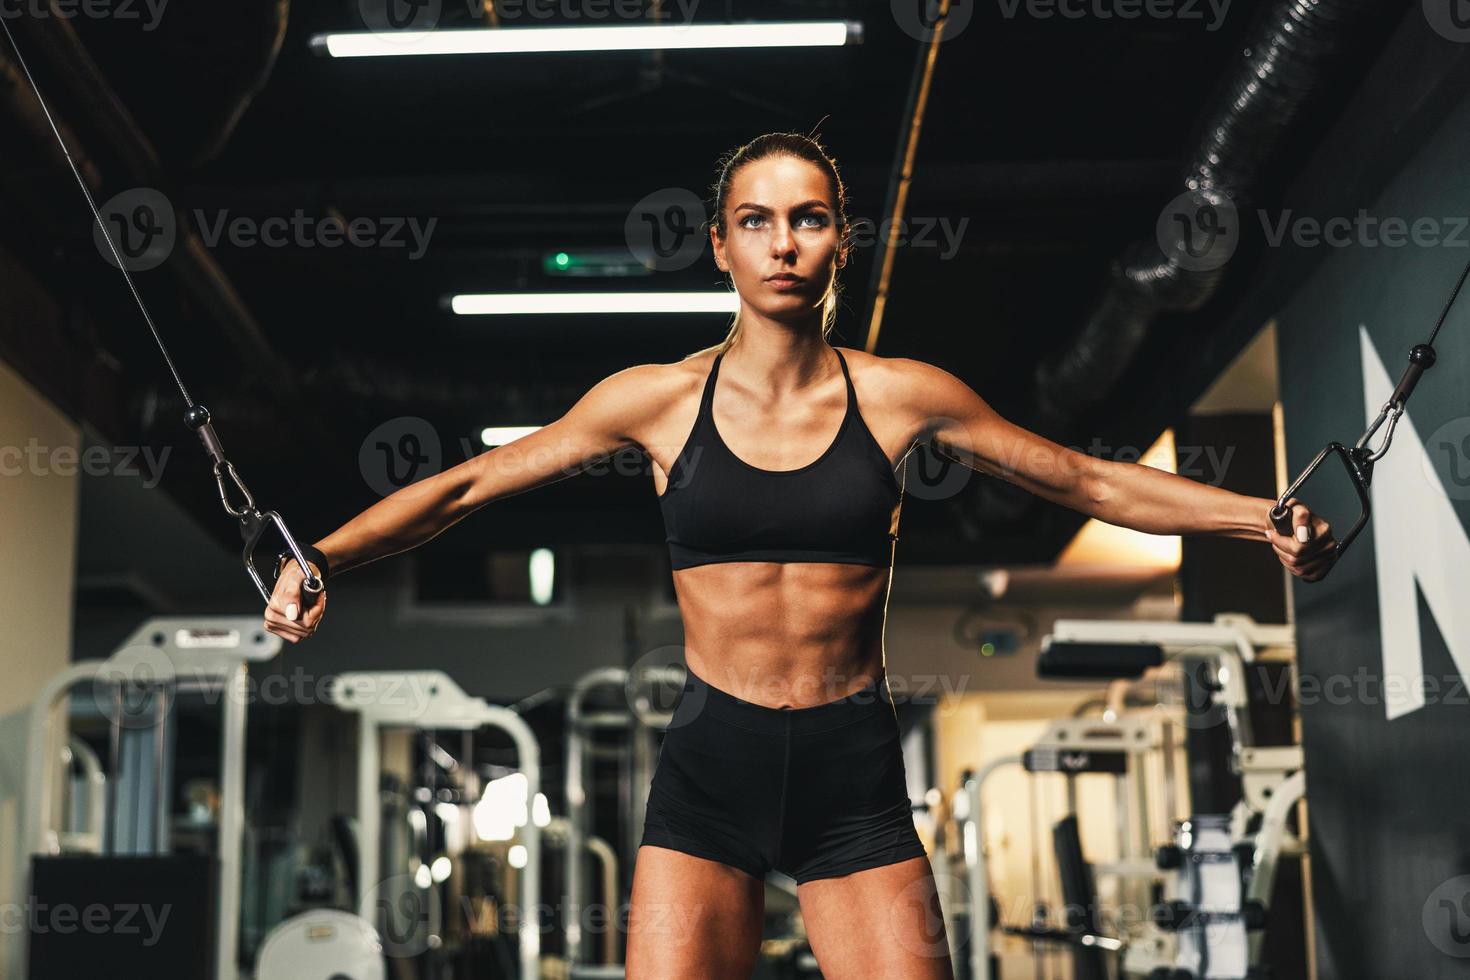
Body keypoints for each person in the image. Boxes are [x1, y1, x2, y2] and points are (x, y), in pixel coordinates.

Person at [264, 132, 1335, 979]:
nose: (784, 244)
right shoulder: (657, 400)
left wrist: (1258, 516)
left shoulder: (905, 393)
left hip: (854, 775)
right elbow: (466, 485)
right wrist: (322, 554)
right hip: (709, 768)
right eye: (757, 221)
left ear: (840, 240)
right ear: (721, 246)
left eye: (809, 219)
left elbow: (1086, 479)